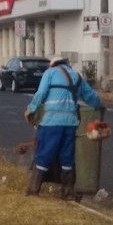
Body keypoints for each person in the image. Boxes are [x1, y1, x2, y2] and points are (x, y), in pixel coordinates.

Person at [24, 55, 103, 199]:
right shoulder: (77, 77)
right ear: (67, 64)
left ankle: (33, 190)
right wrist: (100, 104)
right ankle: (67, 193)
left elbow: (41, 93)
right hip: (70, 124)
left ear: (53, 65)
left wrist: (31, 108)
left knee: (44, 154)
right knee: (67, 157)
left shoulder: (50, 73)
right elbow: (91, 96)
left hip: (51, 123)